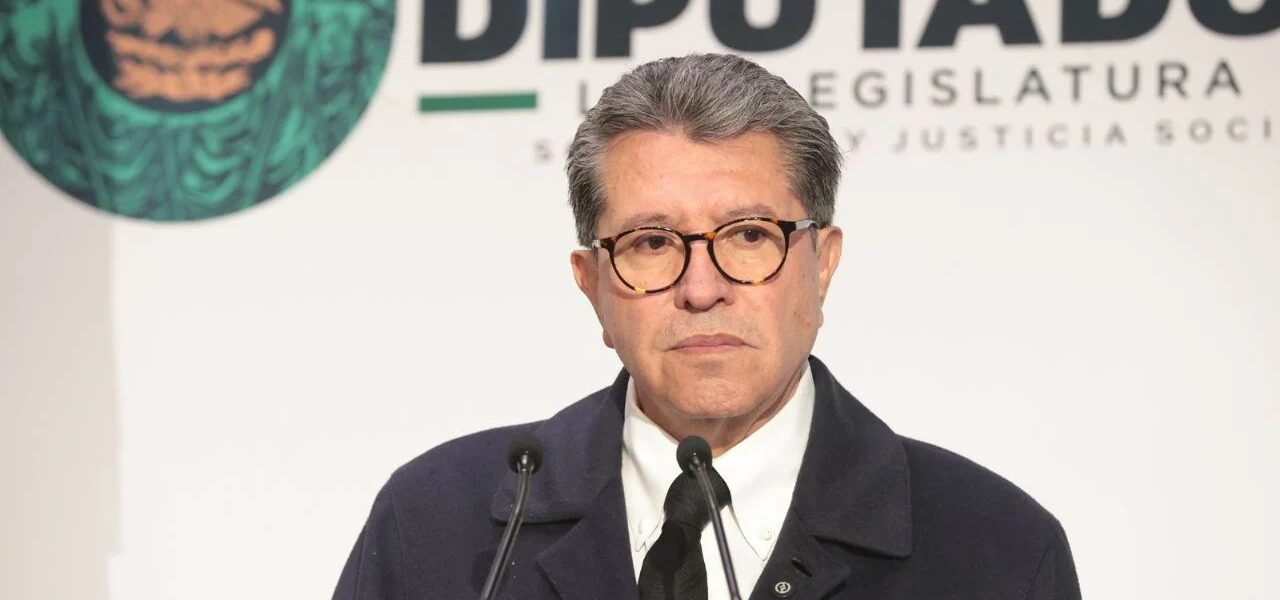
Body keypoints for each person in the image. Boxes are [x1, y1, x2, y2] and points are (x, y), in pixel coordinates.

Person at [333, 53, 1080, 600]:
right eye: (651, 243)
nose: (701, 288)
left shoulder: (996, 550)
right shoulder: (436, 524)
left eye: (749, 235)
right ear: (593, 287)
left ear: (822, 265)